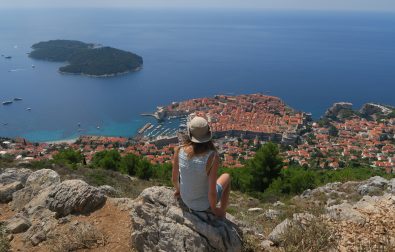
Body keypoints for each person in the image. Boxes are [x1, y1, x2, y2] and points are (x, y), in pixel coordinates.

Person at [172, 116, 231, 218]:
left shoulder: (179, 150)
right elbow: (212, 192)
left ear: (190, 133)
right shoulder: (212, 156)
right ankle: (222, 209)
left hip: (185, 199)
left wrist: (178, 191)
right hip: (203, 205)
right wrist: (214, 209)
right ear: (208, 134)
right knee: (227, 176)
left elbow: (174, 178)